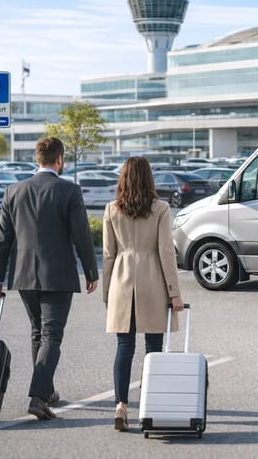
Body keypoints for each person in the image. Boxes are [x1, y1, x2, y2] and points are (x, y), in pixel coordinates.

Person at [0, 136, 99, 420]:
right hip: (58, 275)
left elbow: (3, 239)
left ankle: (46, 390)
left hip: (24, 276)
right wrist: (90, 271)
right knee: (51, 334)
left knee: (38, 332)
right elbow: (81, 235)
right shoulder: (69, 191)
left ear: (37, 159)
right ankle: (38, 396)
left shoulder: (14, 191)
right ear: (59, 159)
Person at [102, 156, 184, 431]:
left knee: (124, 347)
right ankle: (150, 404)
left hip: (121, 281)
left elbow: (108, 255)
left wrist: (107, 293)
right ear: (149, 178)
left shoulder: (112, 209)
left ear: (122, 178)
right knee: (153, 348)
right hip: (153, 281)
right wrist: (174, 292)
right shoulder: (161, 208)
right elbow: (165, 252)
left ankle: (120, 406)